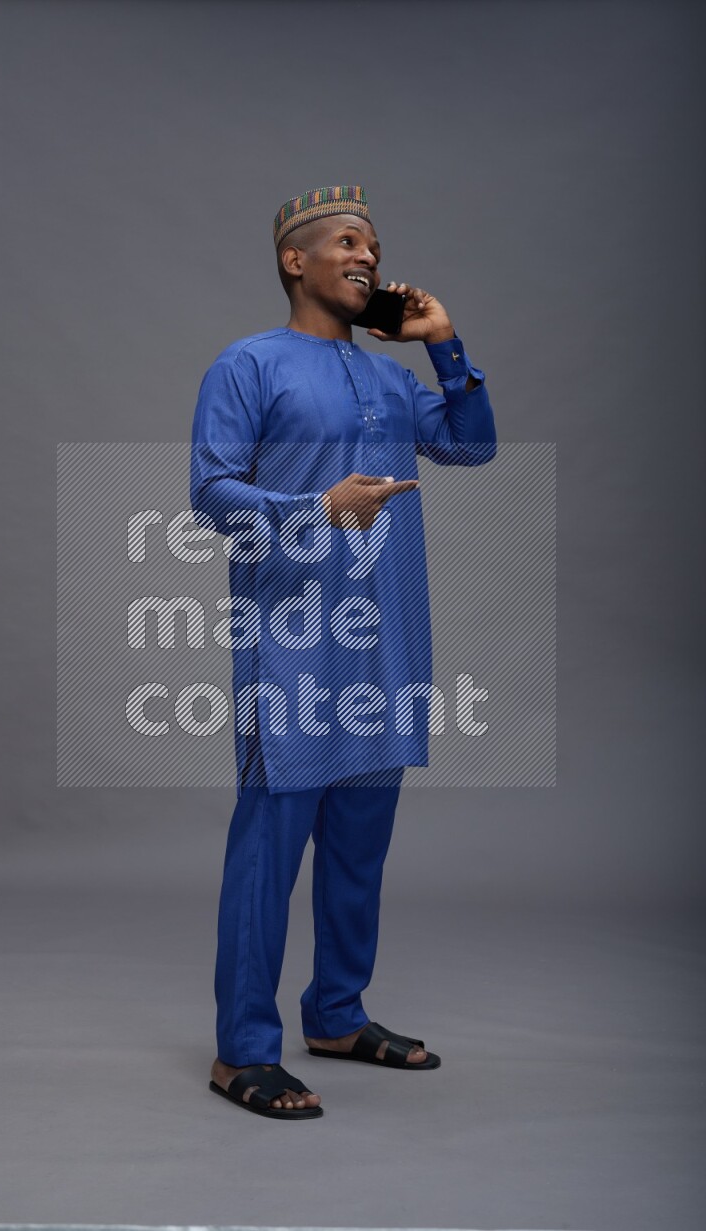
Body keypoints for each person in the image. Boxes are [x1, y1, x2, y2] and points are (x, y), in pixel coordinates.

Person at [190, 184, 496, 1119]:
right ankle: (243, 1050)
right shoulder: (248, 363)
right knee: (268, 855)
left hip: (385, 646)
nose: (368, 257)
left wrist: (443, 342)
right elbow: (212, 492)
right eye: (350, 242)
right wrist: (316, 509)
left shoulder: (391, 380)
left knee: (359, 853)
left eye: (375, 247)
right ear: (296, 259)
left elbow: (473, 447)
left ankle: (335, 1014)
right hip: (293, 646)